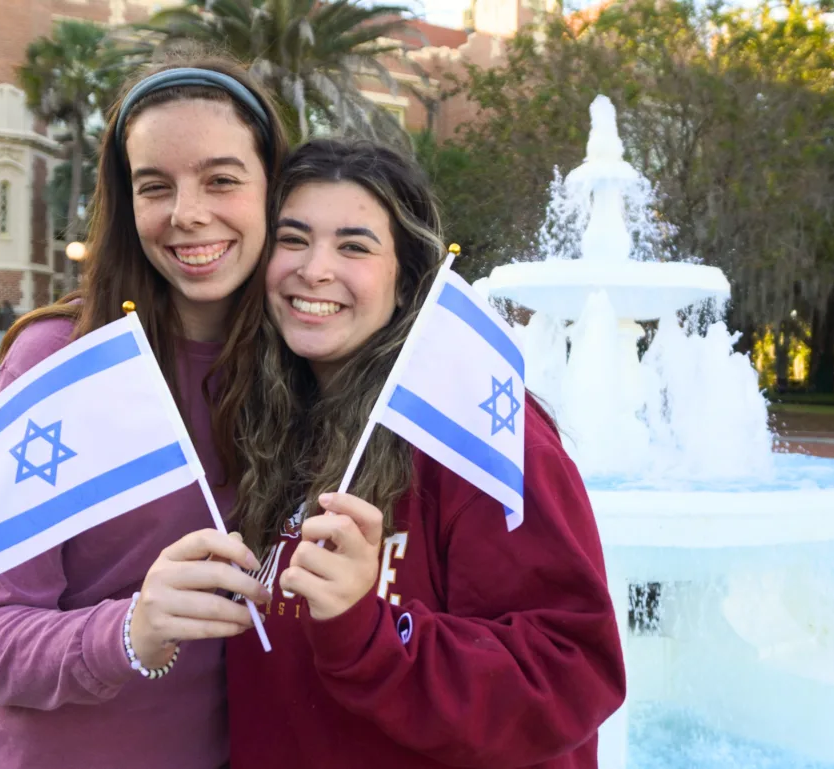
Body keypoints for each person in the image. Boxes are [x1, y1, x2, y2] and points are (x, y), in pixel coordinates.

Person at [227, 138, 626, 769]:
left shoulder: (482, 434)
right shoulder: (258, 428)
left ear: (407, 277)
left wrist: (371, 633)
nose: (314, 269)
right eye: (293, 238)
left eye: (354, 245)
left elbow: (572, 670)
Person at [0, 55, 286, 769]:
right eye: (155, 186)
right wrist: (130, 629)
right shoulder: (57, 359)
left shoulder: (301, 365)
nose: (187, 212)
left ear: (273, 190)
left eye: (221, 179)